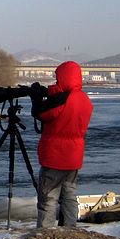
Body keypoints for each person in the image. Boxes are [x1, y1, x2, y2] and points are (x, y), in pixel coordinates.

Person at [32, 61, 93, 228]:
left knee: (48, 198)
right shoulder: (84, 99)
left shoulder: (61, 99)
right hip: (73, 157)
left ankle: (45, 234)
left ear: (64, 78)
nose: (56, 82)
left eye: (58, 79)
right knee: (69, 196)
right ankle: (69, 230)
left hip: (55, 156)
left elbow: (41, 113)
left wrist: (36, 99)